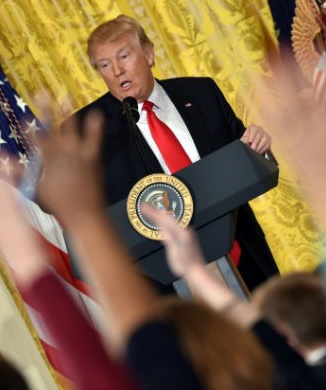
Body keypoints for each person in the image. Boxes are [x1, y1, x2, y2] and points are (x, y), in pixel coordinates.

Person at [68, 15, 279, 290]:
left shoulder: (201, 93)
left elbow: (247, 160)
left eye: (124, 56)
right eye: (105, 65)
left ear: (149, 54)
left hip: (244, 256)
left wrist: (259, 150)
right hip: (172, 285)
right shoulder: (89, 132)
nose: (117, 71)